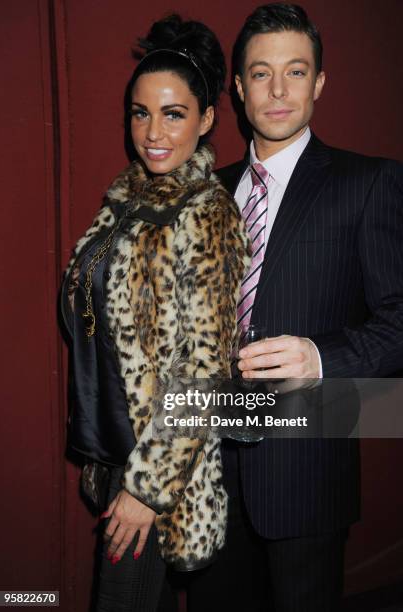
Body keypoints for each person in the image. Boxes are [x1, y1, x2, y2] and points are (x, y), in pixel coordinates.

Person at [187, 3, 403, 612]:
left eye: (296, 71)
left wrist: (319, 357)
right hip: (210, 477)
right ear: (237, 87)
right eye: (260, 73)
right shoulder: (203, 193)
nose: (278, 90)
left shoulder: (370, 183)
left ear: (320, 82)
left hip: (307, 474)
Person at [60, 14, 250, 612]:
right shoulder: (125, 203)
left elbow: (205, 367)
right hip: (114, 452)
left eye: (173, 113)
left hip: (156, 473)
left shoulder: (206, 214)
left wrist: (147, 489)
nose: (153, 131)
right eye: (141, 112)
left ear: (207, 119)